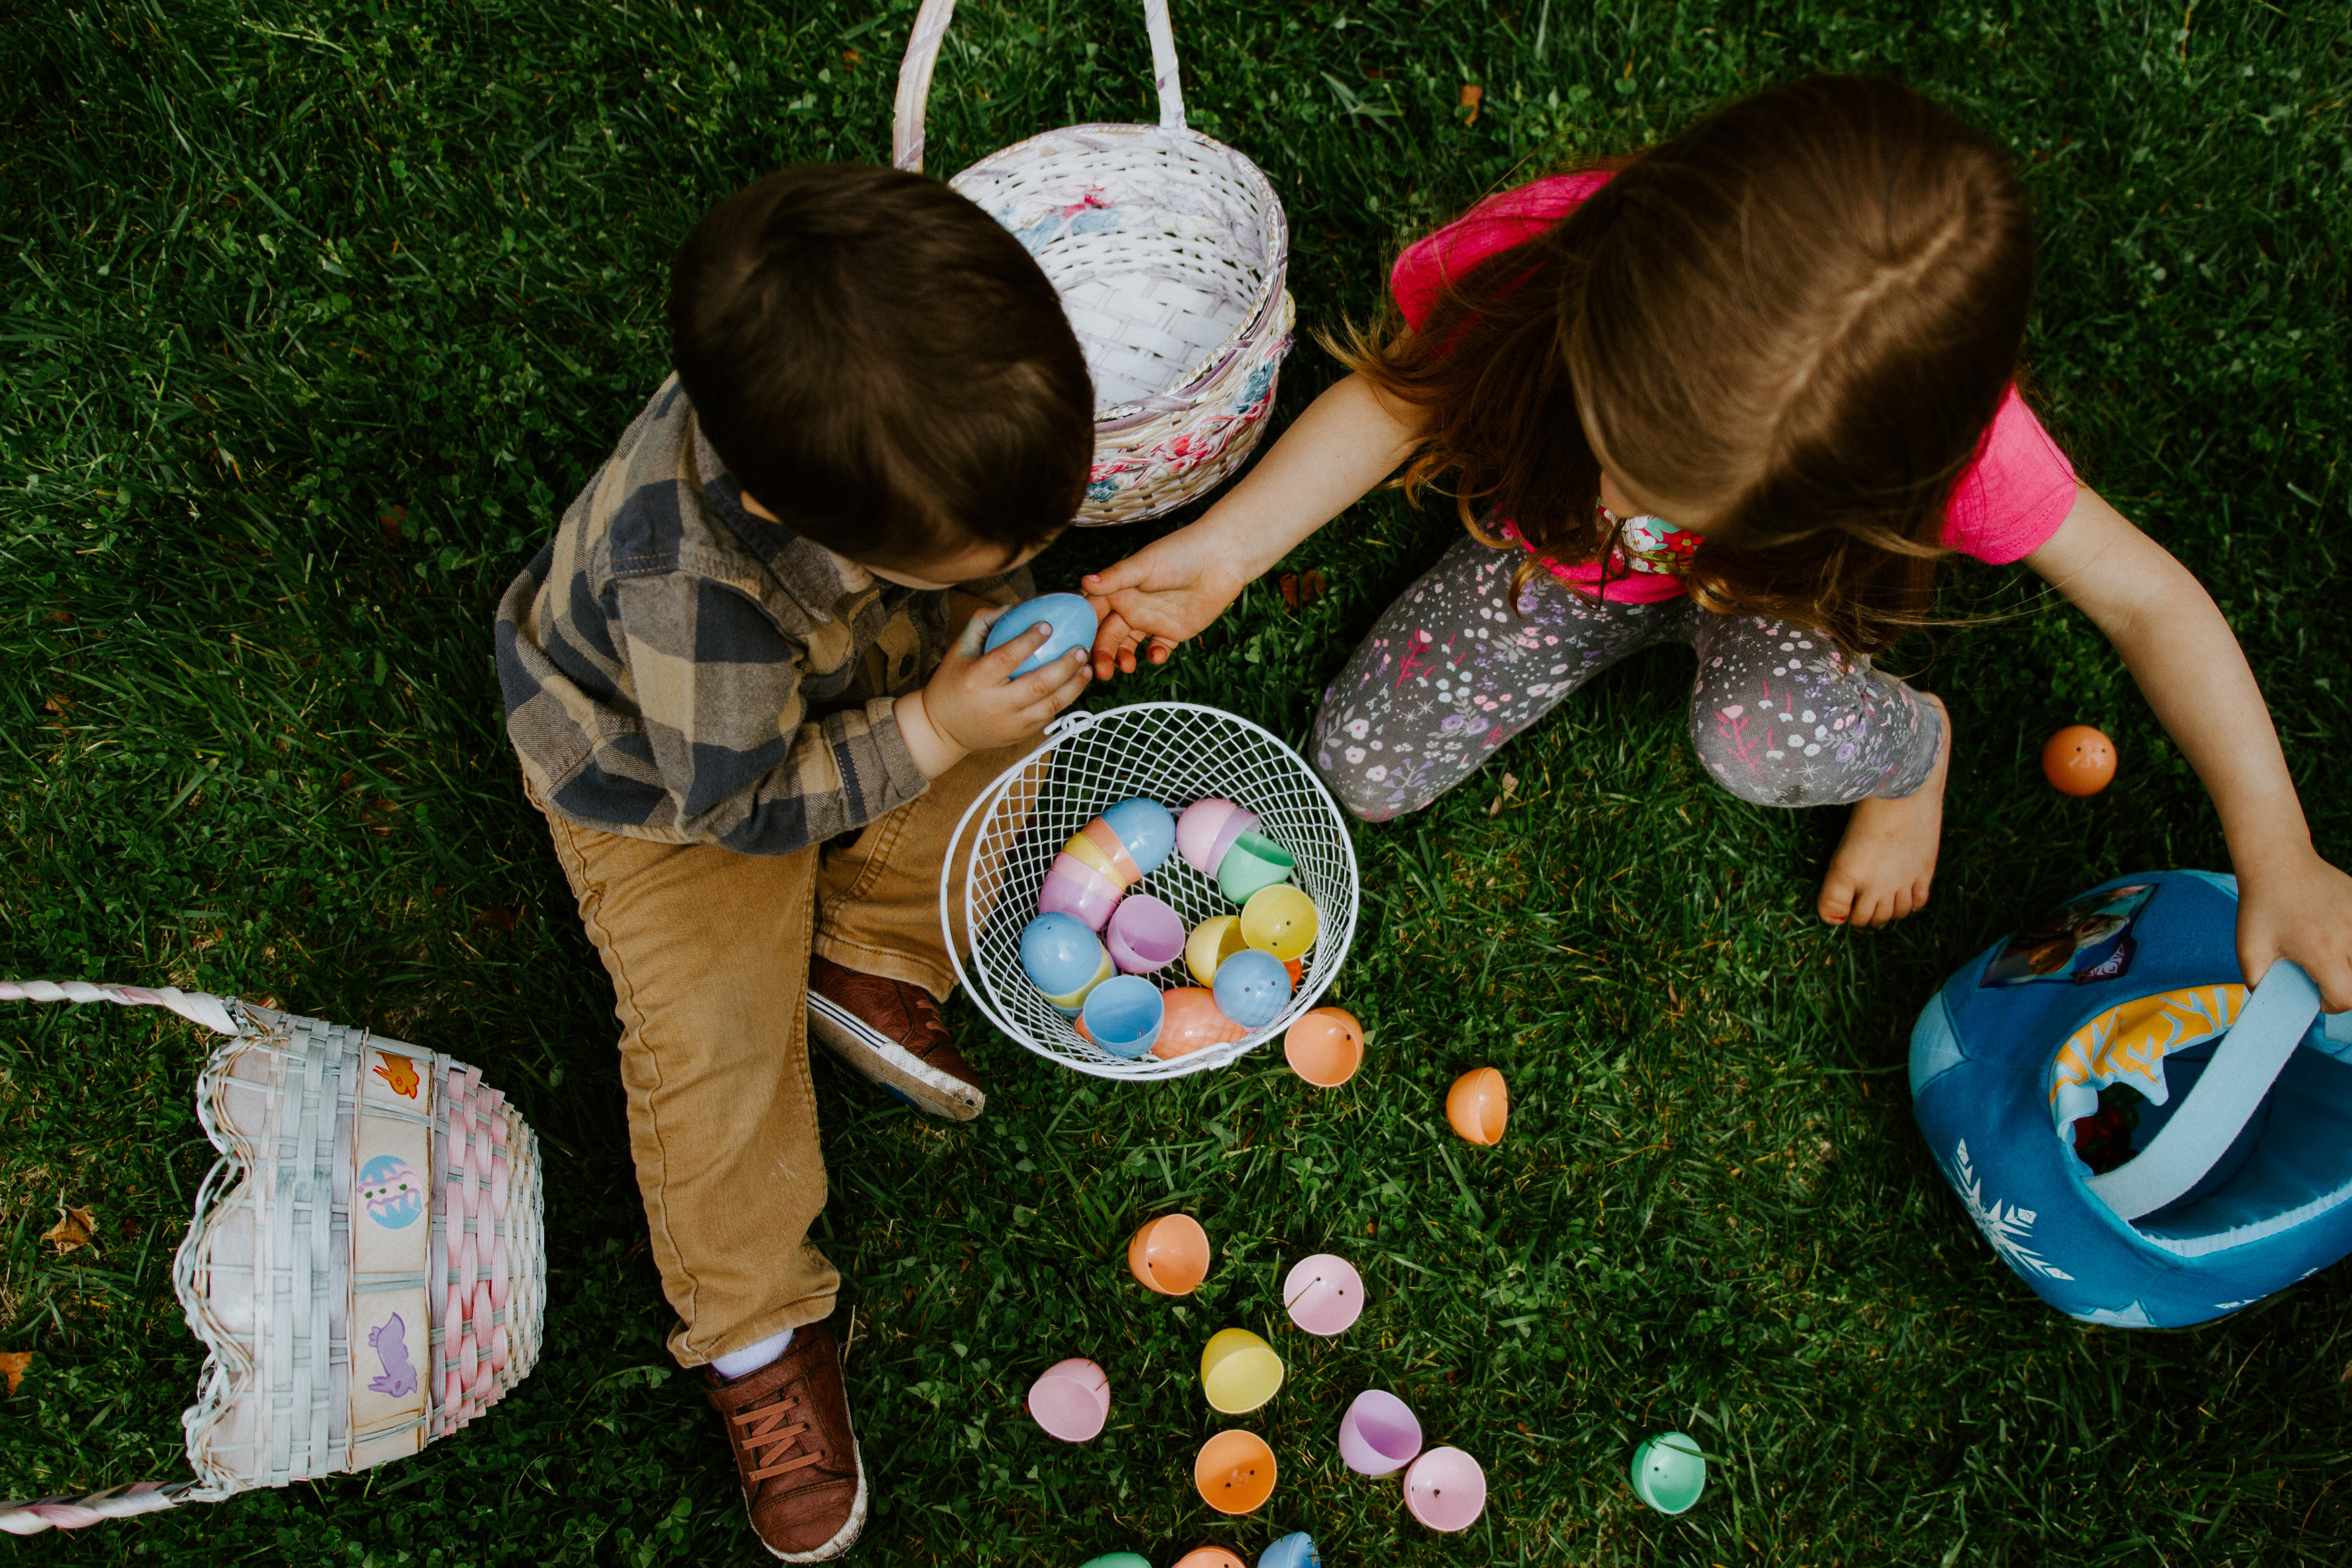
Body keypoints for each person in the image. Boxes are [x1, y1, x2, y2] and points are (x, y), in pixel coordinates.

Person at [1079, 75, 2352, 1008]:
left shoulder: (1965, 449)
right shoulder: (1552, 248)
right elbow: (1401, 395)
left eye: (1690, 492)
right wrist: (1232, 547)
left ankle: (1911, 752)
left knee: (1752, 738)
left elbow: (2150, 603)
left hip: (1782, 612)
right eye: (1613, 427)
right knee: (1356, 766)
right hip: (1553, 561)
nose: (1637, 494)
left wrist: (2276, 845)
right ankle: (1619, 612)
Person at [495, 164, 1093, 1561]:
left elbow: (963, 571)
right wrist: (938, 719)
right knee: (711, 1041)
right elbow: (746, 805)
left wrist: (993, 639)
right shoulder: (689, 585)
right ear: (790, 506)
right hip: (671, 790)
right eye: (991, 548)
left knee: (1034, 734)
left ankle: (868, 947)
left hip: (845, 681)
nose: (1027, 559)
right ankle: (756, 1321)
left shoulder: (883, 423)